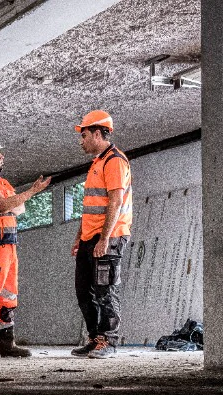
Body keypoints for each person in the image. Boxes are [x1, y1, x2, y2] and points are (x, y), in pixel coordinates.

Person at [0, 135, 51, 359]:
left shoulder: (2, 184)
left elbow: (18, 209)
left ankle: (6, 344)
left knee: (9, 296)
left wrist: (8, 205)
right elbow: (5, 204)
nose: (2, 156)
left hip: (10, 246)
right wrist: (29, 192)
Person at [71, 110, 133, 359]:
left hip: (110, 236)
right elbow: (90, 207)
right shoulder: (96, 163)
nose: (81, 140)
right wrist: (79, 236)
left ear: (98, 133)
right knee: (84, 291)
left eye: (84, 135)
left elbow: (115, 202)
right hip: (90, 237)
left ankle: (109, 341)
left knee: (105, 291)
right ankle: (95, 338)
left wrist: (105, 239)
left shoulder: (114, 161)